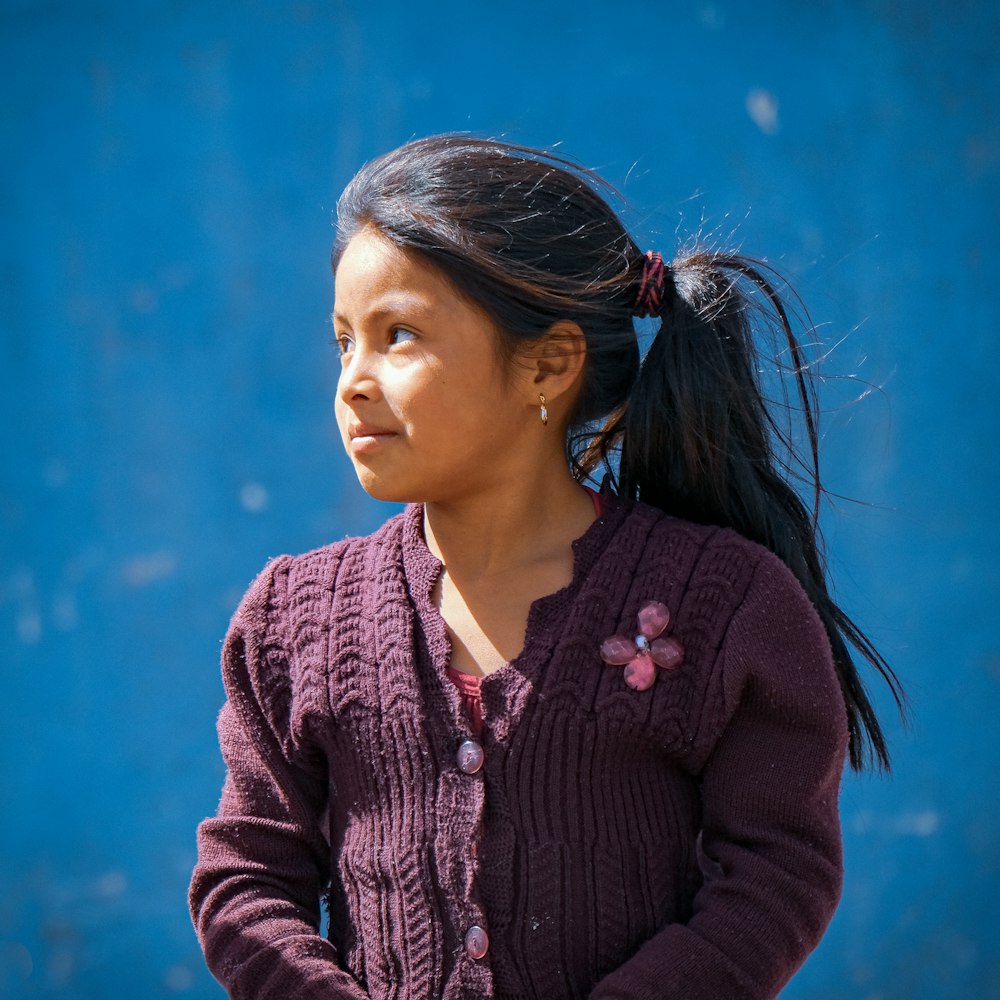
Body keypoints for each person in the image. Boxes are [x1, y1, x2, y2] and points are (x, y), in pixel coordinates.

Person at [188, 135, 905, 1000]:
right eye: (344, 342)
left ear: (549, 362)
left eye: (399, 335)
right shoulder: (292, 618)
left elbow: (776, 875)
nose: (353, 381)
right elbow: (247, 882)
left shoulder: (721, 605)